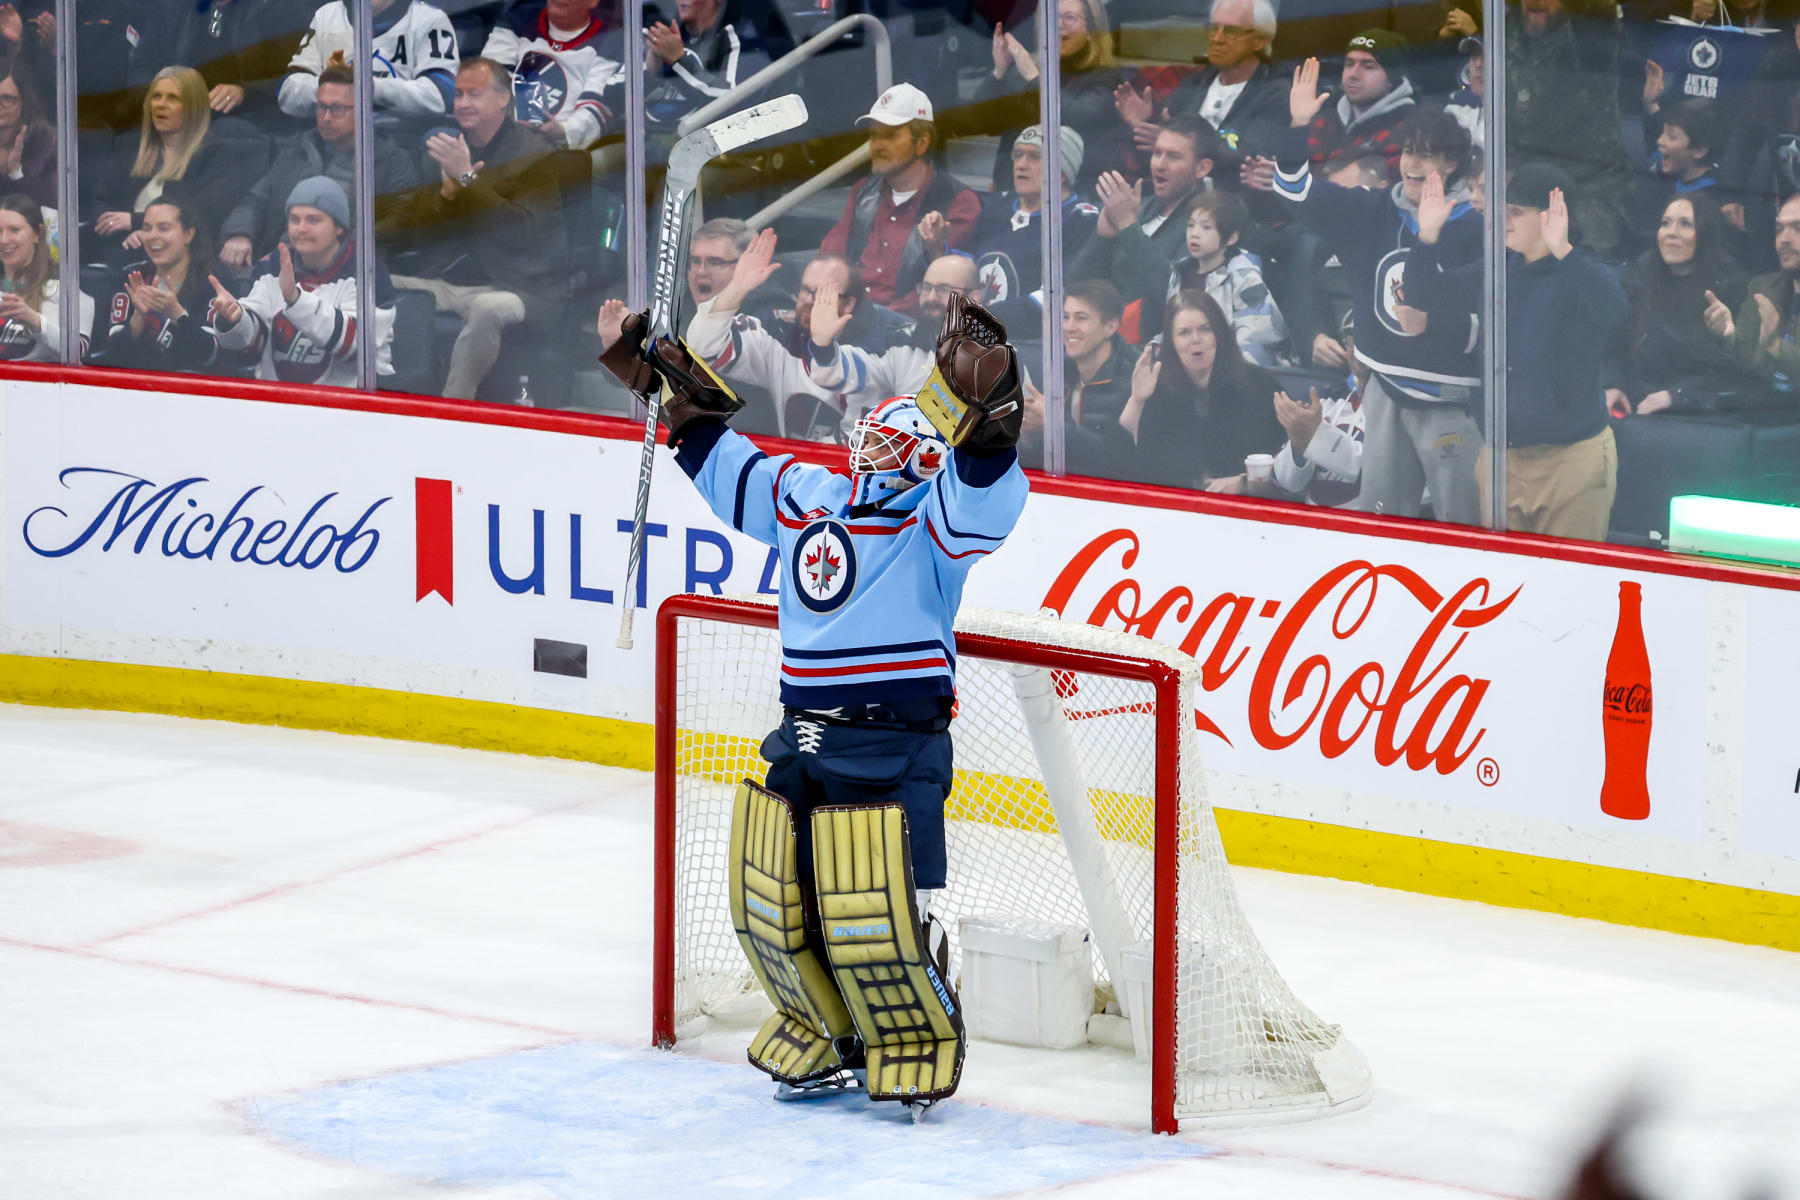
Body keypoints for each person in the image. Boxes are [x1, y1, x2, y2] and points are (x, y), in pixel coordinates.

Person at [596, 294, 1027, 1114]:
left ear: (929, 461)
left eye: (893, 443)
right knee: (778, 899)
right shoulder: (812, 497)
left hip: (892, 744)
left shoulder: (932, 528)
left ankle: (908, 1030)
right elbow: (731, 469)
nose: (868, 449)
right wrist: (668, 385)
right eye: (870, 435)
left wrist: (995, 419)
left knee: (880, 914)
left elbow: (987, 494)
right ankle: (823, 1026)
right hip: (802, 733)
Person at [1275, 63, 1485, 524]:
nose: (1412, 163)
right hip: (1383, 392)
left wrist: (1443, 325)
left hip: (1452, 403)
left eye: (1426, 155)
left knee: (1463, 527)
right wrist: (1297, 128)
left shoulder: (1477, 228)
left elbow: (1493, 321)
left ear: (1450, 164)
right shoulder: (1367, 211)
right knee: (1383, 522)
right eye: (1409, 151)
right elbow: (1293, 190)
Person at [1406, 164, 1631, 540]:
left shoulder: (1583, 271)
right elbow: (1423, 294)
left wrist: (1563, 252)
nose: (1503, 219)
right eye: (1504, 209)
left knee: (1567, 582)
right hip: (1500, 459)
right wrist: (1426, 236)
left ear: (1551, 217)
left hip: (1570, 461)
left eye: (1516, 212)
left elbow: (1615, 309)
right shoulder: (1497, 269)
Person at [390, 57, 570, 402]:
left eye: (474, 93)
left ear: (503, 99)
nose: (463, 103)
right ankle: (388, 397)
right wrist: (445, 197)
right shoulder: (453, 148)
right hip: (456, 279)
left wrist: (468, 180)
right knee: (377, 283)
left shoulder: (536, 154)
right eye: (458, 94)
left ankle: (453, 405)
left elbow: (521, 232)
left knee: (487, 308)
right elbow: (422, 233)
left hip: (523, 284)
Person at [661, 230, 911, 437]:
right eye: (805, 291)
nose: (810, 301)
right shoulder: (780, 332)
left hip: (857, 476)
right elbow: (704, 347)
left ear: (848, 305)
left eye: (823, 294)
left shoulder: (883, 344)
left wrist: (823, 345)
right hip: (793, 473)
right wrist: (738, 286)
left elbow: (838, 373)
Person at [220, 62, 420, 270]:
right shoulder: (295, 152)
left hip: (350, 274)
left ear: (363, 110)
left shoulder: (390, 160)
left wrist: (337, 244)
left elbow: (401, 223)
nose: (326, 117)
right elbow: (256, 199)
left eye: (337, 109)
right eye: (321, 107)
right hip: (278, 266)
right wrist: (240, 233)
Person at [209, 176, 395, 387]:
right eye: (295, 219)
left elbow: (356, 346)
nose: (301, 228)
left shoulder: (368, 271)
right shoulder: (272, 265)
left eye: (313, 220)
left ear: (339, 227)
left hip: (348, 408)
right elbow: (254, 341)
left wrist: (296, 301)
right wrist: (233, 319)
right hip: (275, 403)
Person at [820, 84, 980, 312]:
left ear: (922, 143)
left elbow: (949, 291)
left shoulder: (958, 200)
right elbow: (830, 257)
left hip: (909, 325)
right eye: (874, 135)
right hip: (852, 313)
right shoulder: (863, 191)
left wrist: (872, 316)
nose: (878, 144)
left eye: (891, 136)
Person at [1122, 289, 1286, 491]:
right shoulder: (1157, 386)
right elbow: (1128, 455)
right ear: (1171, 342)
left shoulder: (1259, 384)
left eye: (1205, 329)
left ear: (1219, 334)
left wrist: (1245, 482)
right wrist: (1137, 400)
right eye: (1184, 332)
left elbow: (1290, 456)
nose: (1196, 339)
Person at [1609, 192, 1757, 414]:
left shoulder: (1733, 287)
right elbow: (1612, 343)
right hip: (1634, 408)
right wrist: (1612, 384)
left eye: (1686, 224)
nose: (1671, 233)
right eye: (1665, 224)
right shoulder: (1638, 279)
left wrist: (1678, 396)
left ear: (1706, 234)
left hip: (1699, 421)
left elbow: (1741, 377)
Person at [1506, 0, 1634, 256]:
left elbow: (1599, 13)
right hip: (1526, 185)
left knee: (1583, 266)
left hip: (1591, 189)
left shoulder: (1591, 34)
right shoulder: (1507, 31)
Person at [89, 67, 259, 255]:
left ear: (194, 107)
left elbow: (202, 214)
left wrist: (138, 224)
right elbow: (99, 200)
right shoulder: (130, 146)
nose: (161, 104)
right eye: (157, 96)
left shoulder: (216, 155)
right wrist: (118, 228)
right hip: (121, 251)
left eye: (172, 98)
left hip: (186, 260)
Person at [802, 253, 983, 424]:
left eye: (944, 289)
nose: (930, 297)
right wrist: (823, 346)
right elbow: (842, 374)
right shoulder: (898, 342)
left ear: (974, 298)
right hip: (901, 454)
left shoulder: (1002, 360)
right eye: (926, 288)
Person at [974, 0, 1130, 195]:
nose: (1058, 24)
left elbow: (1078, 116)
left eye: (1069, 18)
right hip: (1013, 193)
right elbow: (983, 123)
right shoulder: (1026, 69)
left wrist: (1033, 78)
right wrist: (999, 71)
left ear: (1091, 29)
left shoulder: (1106, 75)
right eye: (1052, 16)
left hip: (1069, 196)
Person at [1069, 118, 1220, 316]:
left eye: (1173, 157)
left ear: (1202, 168)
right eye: (1157, 153)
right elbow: (1075, 286)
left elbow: (1177, 292)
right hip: (1103, 328)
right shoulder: (1137, 206)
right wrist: (1103, 236)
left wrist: (1127, 226)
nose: (1160, 165)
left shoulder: (1211, 222)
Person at [1124, 0, 1286, 172]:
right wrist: (1144, 124)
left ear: (1259, 41)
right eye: (1214, 28)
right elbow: (1161, 160)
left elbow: (1248, 159)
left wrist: (1179, 144)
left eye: (1231, 31)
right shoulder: (1192, 83)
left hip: (1230, 195)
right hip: (1178, 194)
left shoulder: (1276, 94)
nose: (1217, 38)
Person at [955, 125, 1098, 315]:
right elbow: (964, 264)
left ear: (1062, 172)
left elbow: (1057, 295)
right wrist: (937, 248)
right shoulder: (998, 205)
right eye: (1018, 154)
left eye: (1034, 156)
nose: (1021, 164)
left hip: (1030, 340)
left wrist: (985, 319)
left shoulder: (1080, 219)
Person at [1156, 188, 1291, 365]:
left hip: (1235, 371)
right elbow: (1172, 330)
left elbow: (1258, 340)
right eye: (1190, 225)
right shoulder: (1179, 272)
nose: (1194, 233)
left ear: (1231, 238)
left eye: (1206, 227)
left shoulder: (1244, 276)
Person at [95, 194, 227, 373]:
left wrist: (176, 313)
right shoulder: (131, 277)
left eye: (164, 228)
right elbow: (114, 356)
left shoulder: (215, 282)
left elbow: (210, 355)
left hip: (194, 393)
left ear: (189, 234)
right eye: (147, 229)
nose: (152, 237)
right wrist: (138, 318)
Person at [130, 0, 311, 120]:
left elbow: (296, 77)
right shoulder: (173, 7)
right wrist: (162, 94)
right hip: (177, 122)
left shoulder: (279, 8)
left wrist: (245, 92)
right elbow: (141, 67)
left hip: (248, 125)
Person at [279, 0, 458, 121]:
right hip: (330, 138)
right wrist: (335, 89)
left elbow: (442, 96)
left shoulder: (429, 20)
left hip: (401, 141)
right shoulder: (327, 15)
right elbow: (287, 92)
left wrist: (371, 88)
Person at [480, 0, 623, 150]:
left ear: (593, 2)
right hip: (502, 138)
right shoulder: (521, 19)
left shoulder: (611, 40)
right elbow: (488, 81)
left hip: (558, 152)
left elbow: (595, 108)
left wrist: (563, 132)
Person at [1706, 191, 1800, 403]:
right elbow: (1746, 372)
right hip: (1762, 420)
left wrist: (1776, 346)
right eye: (1779, 229)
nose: (1784, 239)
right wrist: (1730, 337)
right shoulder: (1762, 288)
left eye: (1798, 228)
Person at [1038, 278, 1136, 476]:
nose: (1069, 327)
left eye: (1081, 318)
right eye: (1065, 317)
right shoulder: (1057, 371)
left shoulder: (1133, 380)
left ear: (1110, 327)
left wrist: (1055, 426)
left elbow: (1119, 459)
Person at [1272, 311, 1366, 507]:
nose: (1356, 350)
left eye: (1365, 340)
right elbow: (1288, 484)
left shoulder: (1403, 410)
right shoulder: (1326, 406)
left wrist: (1315, 436)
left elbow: (1378, 471)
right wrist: (1298, 444)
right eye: (1351, 341)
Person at [642, 0, 780, 133]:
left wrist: (679, 60)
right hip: (647, 139)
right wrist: (652, 71)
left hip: (704, 147)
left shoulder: (742, 38)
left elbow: (732, 102)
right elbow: (625, 105)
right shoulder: (665, 32)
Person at [1304, 30, 1418, 173]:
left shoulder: (1410, 128)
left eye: (1368, 66)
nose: (1353, 74)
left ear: (1391, 78)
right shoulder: (1324, 117)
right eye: (1349, 64)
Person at [0, 193, 93, 362]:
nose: (4, 240)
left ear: (38, 233)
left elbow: (77, 351)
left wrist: (32, 319)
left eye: (14, 230)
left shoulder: (63, 292)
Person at [0, 60, 55, 210]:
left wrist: (15, 172)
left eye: (7, 99)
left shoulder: (46, 145)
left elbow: (49, 207)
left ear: (24, 100)